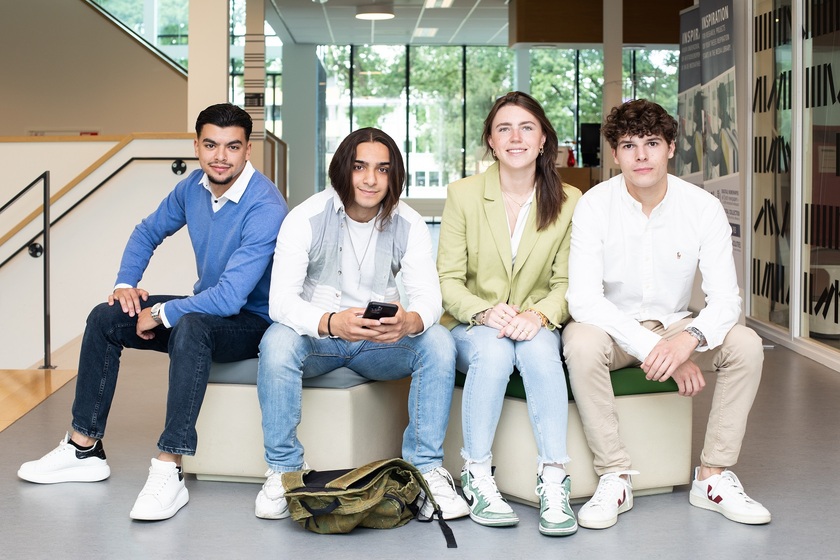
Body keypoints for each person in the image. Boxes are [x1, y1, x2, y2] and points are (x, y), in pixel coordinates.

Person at [18, 103, 289, 521]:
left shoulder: (265, 205)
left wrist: (162, 313)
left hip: (253, 324)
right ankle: (83, 447)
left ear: (248, 150)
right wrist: (125, 285)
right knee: (106, 317)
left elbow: (232, 298)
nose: (221, 156)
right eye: (211, 145)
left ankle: (169, 467)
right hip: (205, 311)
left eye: (232, 146)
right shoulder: (191, 189)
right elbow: (147, 231)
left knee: (191, 325)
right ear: (196, 146)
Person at [563, 99, 770, 530]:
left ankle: (712, 476)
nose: (641, 155)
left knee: (746, 344)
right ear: (615, 153)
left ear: (671, 148)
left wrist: (687, 341)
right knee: (579, 343)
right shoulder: (593, 205)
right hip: (612, 328)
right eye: (629, 145)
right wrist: (659, 349)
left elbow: (726, 300)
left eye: (652, 143)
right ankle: (615, 475)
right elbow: (583, 299)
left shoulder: (703, 207)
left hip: (676, 321)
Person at [254, 127, 469, 521]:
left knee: (438, 341)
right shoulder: (306, 217)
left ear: (394, 176)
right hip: (319, 338)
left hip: (379, 343)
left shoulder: (409, 223)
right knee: (276, 342)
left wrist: (409, 321)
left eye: (382, 170)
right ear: (343, 170)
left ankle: (423, 471)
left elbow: (428, 299)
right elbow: (280, 302)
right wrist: (331, 322)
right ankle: (283, 471)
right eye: (360, 167)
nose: (371, 179)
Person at [437, 91, 581, 536]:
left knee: (539, 351)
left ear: (543, 141)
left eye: (527, 128)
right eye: (504, 129)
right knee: (496, 353)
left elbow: (566, 284)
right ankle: (477, 475)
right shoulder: (463, 194)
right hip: (471, 324)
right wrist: (485, 314)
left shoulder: (571, 200)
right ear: (491, 142)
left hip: (535, 321)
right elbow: (447, 280)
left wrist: (537, 317)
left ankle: (554, 478)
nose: (515, 137)